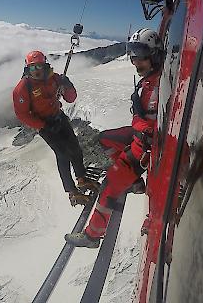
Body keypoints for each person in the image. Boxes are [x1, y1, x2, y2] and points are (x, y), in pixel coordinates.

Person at [65, 28, 163, 248]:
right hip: (140, 138)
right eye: (133, 54)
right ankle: (135, 182)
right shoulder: (152, 79)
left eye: (140, 54)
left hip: (144, 147)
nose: (135, 60)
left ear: (154, 55)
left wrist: (138, 122)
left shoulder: (157, 87)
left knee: (109, 185)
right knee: (105, 138)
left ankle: (92, 236)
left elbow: (151, 127)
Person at [12, 50, 99, 206]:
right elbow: (22, 114)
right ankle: (72, 192)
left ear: (45, 65)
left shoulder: (55, 78)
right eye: (33, 68)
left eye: (39, 66)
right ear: (27, 69)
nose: (37, 71)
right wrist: (42, 126)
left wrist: (68, 85)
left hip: (58, 117)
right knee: (63, 154)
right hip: (45, 125)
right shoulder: (23, 88)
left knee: (75, 148)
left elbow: (70, 98)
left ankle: (82, 179)